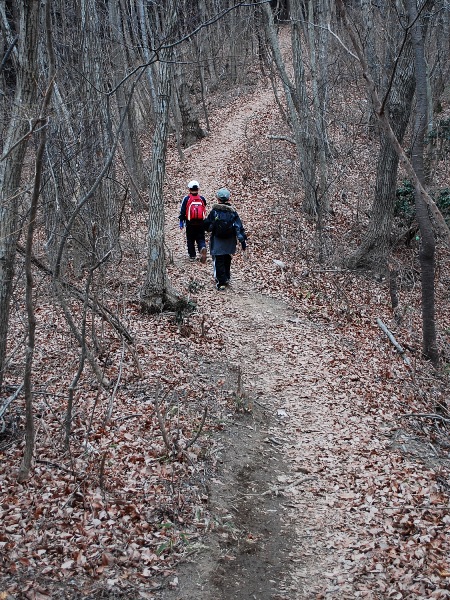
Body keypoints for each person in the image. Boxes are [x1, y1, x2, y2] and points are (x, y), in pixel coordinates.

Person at [203, 188, 247, 291]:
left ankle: (221, 282)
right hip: (230, 241)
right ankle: (226, 277)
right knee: (227, 258)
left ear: (218, 198)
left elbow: (208, 226)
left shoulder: (214, 212)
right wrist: (242, 241)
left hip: (217, 240)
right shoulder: (233, 212)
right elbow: (238, 227)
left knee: (219, 260)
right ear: (228, 198)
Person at [179, 180, 207, 263]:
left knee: (190, 239)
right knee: (201, 238)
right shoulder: (202, 198)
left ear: (189, 189)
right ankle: (202, 248)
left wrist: (181, 221)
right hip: (200, 223)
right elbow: (204, 207)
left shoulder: (186, 199)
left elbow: (183, 211)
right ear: (198, 189)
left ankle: (192, 256)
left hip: (190, 223)